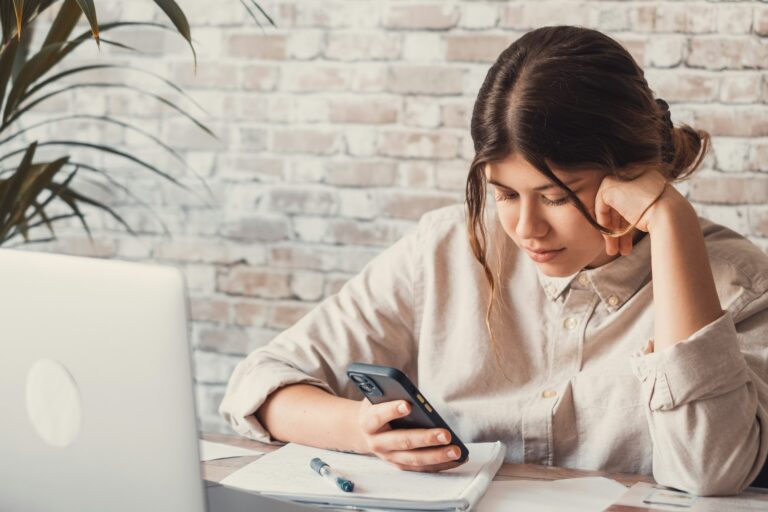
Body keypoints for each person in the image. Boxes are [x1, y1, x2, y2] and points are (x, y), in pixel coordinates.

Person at [220, 25, 768, 496]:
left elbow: (709, 471)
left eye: (557, 197)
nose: (527, 229)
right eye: (505, 194)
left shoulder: (740, 283)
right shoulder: (444, 249)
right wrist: (362, 429)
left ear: (632, 173)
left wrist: (672, 223)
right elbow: (260, 383)